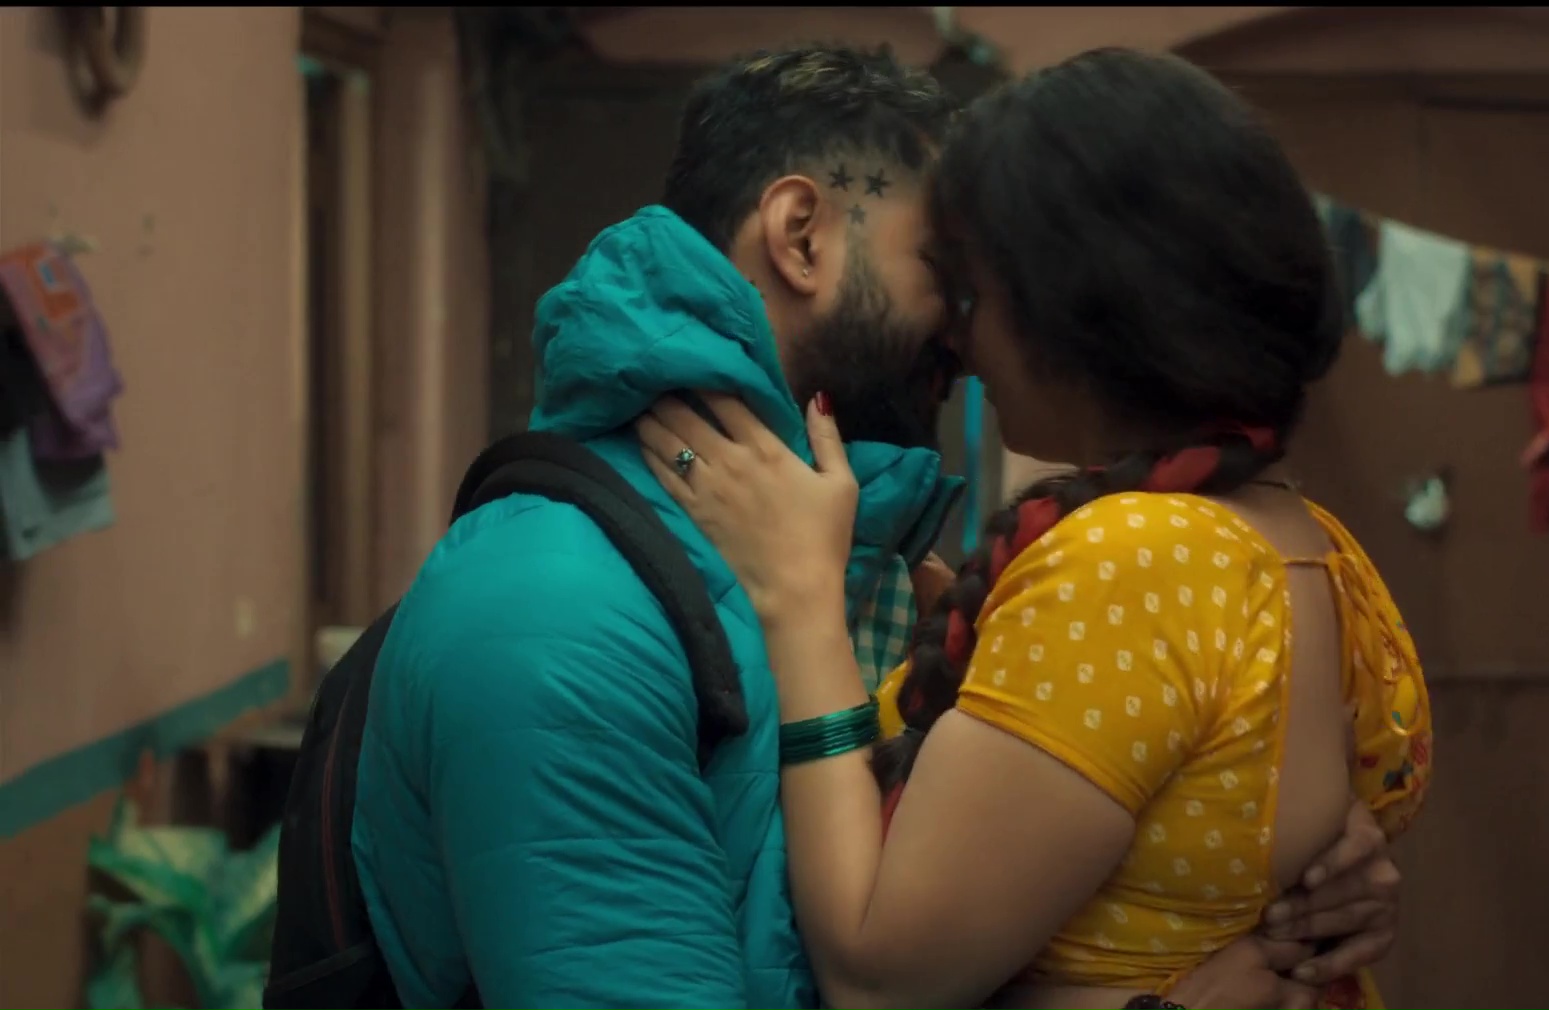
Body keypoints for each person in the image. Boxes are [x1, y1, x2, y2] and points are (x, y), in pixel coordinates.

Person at [353, 43, 1403, 1010]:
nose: (968, 330)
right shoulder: (555, 611)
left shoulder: (867, 558)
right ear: (801, 237)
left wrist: (1235, 855)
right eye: (946, 275)